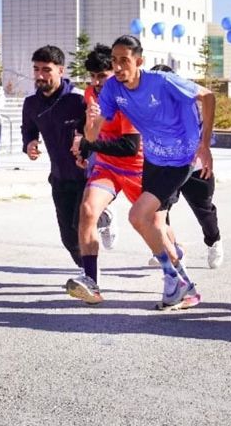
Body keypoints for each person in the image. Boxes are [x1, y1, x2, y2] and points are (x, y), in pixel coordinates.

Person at [88, 35, 215, 309]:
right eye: (114, 61)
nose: (118, 67)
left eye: (125, 60)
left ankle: (173, 280)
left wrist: (205, 145)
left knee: (137, 216)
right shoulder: (112, 89)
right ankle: (186, 289)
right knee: (156, 225)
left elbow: (208, 96)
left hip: (181, 158)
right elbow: (93, 133)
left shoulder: (161, 81)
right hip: (154, 158)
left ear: (139, 61)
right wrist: (90, 124)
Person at [65, 44, 144, 305]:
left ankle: (178, 268)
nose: (97, 82)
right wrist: (84, 144)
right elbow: (90, 131)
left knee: (157, 227)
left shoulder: (127, 98)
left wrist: (90, 145)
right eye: (94, 76)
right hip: (106, 164)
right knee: (87, 210)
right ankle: (92, 283)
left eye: (103, 75)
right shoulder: (90, 93)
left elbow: (130, 147)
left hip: (136, 166)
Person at [150, 64, 224, 270]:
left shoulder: (190, 103)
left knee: (204, 210)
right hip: (165, 167)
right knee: (159, 209)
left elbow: (202, 136)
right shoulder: (151, 106)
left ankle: (214, 241)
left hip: (195, 167)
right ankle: (167, 247)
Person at [21, 45, 88, 271]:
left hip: (87, 175)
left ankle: (91, 274)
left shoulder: (78, 100)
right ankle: (85, 269)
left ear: (61, 70)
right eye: (36, 69)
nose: (40, 75)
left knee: (81, 225)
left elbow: (98, 130)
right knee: (68, 238)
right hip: (59, 177)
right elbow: (28, 129)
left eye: (46, 70)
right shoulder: (31, 104)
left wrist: (84, 140)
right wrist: (29, 143)